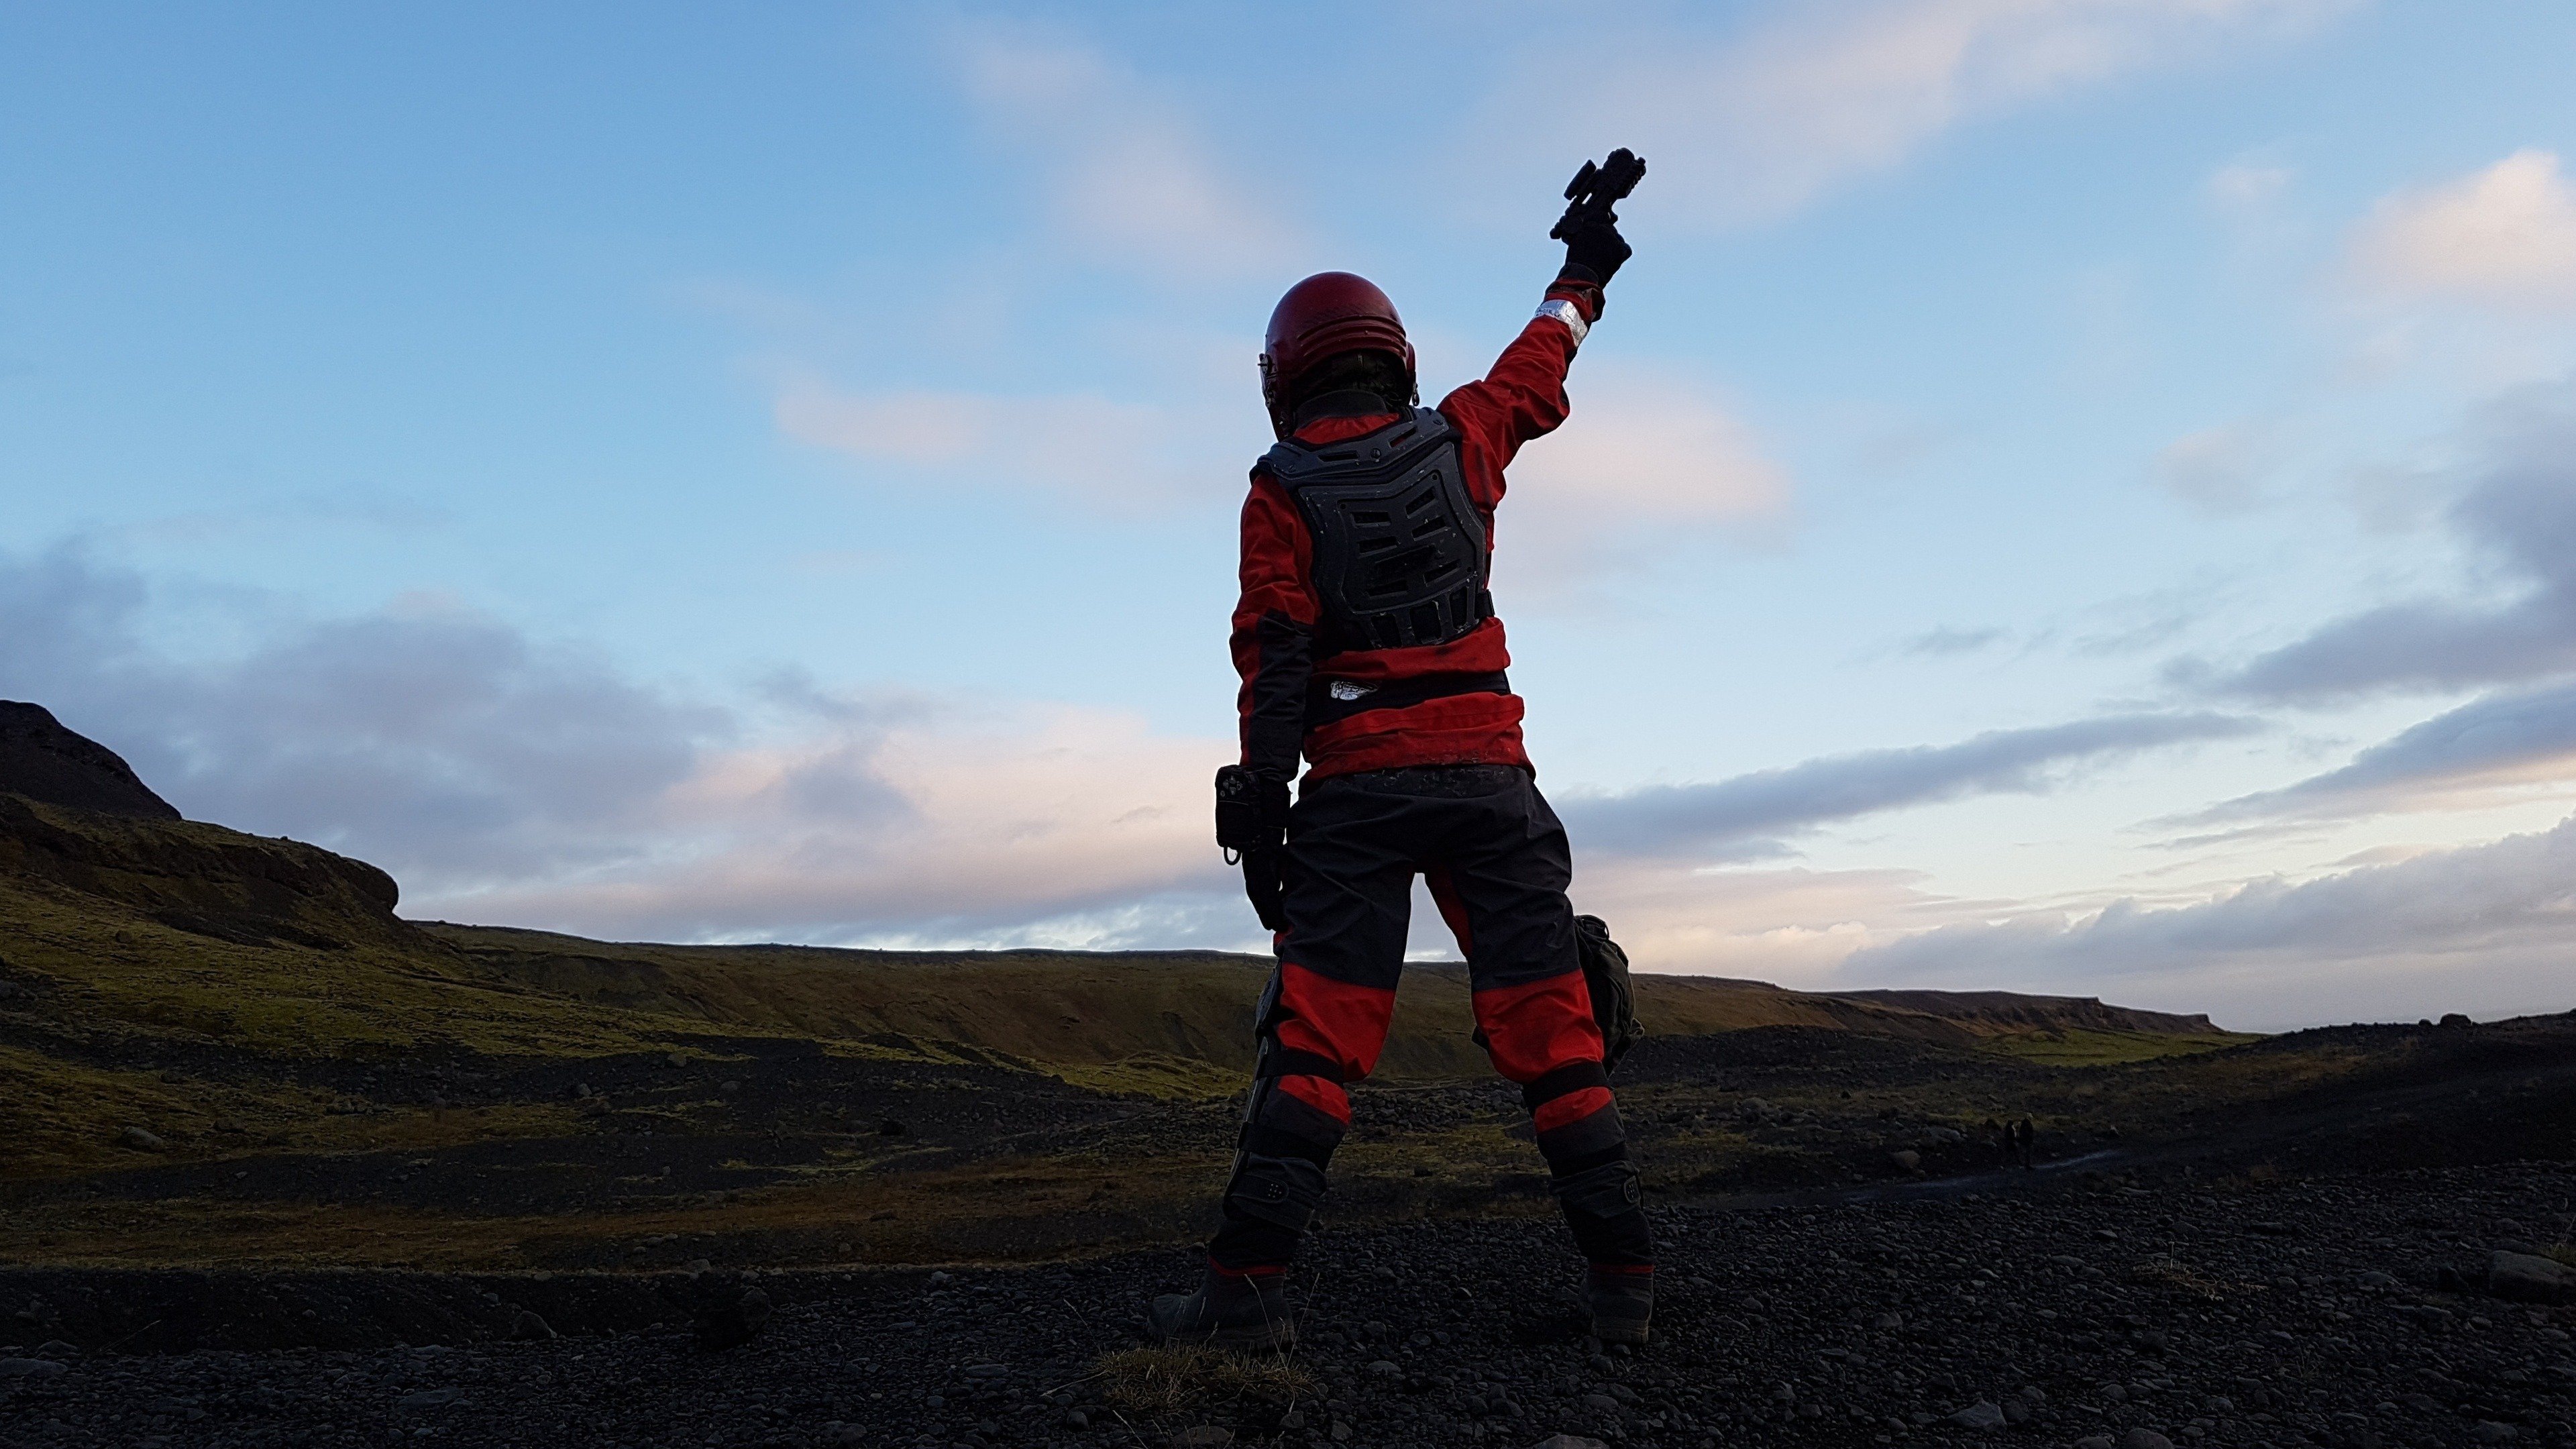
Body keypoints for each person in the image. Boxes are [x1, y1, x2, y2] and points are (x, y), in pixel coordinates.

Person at [1147, 184, 1652, 1351]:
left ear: (1285, 374)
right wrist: (1586, 273)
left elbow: (1273, 648)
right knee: (1553, 1027)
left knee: (1317, 1041)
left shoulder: (1279, 489)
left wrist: (1261, 794)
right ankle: (1622, 1285)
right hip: (1489, 778)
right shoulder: (1464, 434)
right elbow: (1539, 366)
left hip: (1358, 794)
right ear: (1395, 357)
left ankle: (1241, 1300)